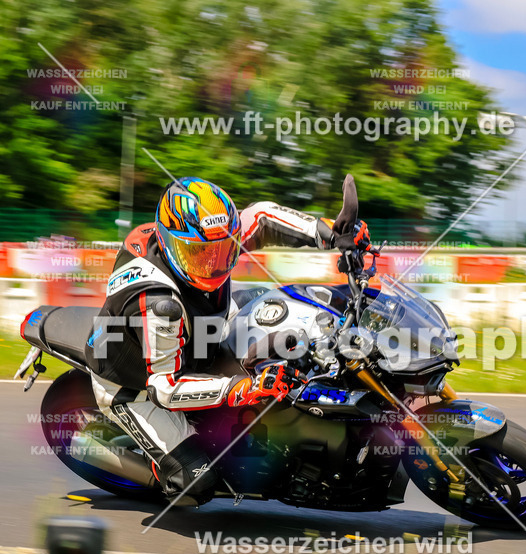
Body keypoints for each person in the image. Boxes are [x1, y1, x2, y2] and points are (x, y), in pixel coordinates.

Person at [84, 176, 368, 503]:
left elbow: (261, 217)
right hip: (135, 384)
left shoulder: (208, 234)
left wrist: (329, 232)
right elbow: (164, 388)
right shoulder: (158, 303)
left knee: (280, 313)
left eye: (223, 250)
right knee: (195, 484)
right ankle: (159, 467)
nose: (213, 263)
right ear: (168, 244)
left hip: (201, 332)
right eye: (200, 254)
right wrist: (240, 388)